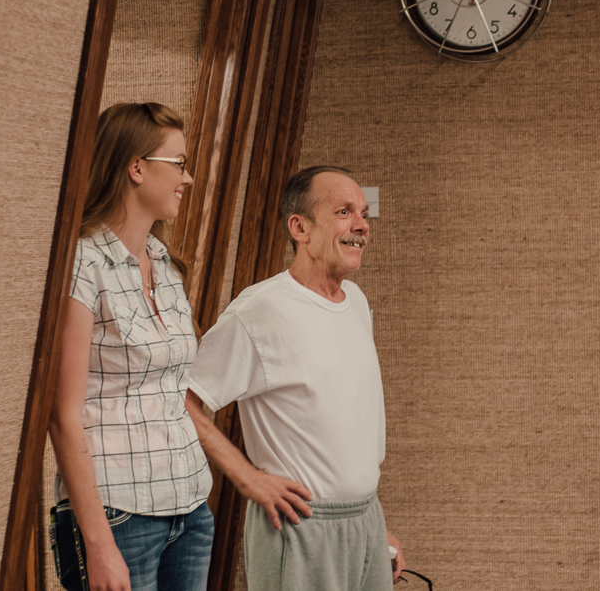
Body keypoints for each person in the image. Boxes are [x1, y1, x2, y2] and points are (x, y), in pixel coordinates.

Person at [184, 165, 405, 591]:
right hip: (300, 526)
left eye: (363, 213)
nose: (361, 225)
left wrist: (372, 527)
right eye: (344, 212)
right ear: (300, 228)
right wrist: (247, 476)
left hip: (364, 521)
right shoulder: (259, 311)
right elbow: (180, 400)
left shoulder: (356, 301)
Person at [49, 102, 214, 591]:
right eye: (179, 164)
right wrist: (97, 544)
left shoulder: (166, 265)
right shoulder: (82, 262)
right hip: (119, 513)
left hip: (191, 507)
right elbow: (63, 416)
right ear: (136, 167)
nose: (188, 178)